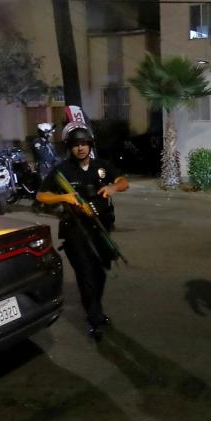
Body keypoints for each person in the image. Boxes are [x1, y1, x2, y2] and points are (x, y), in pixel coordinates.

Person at [36, 121, 129, 341]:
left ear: (90, 144)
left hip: (101, 229)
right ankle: (94, 318)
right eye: (76, 144)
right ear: (69, 147)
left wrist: (113, 187)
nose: (81, 148)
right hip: (75, 233)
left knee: (99, 273)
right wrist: (64, 197)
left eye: (84, 143)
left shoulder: (101, 166)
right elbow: (41, 195)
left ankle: (95, 307)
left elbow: (123, 182)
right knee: (86, 275)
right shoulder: (62, 170)